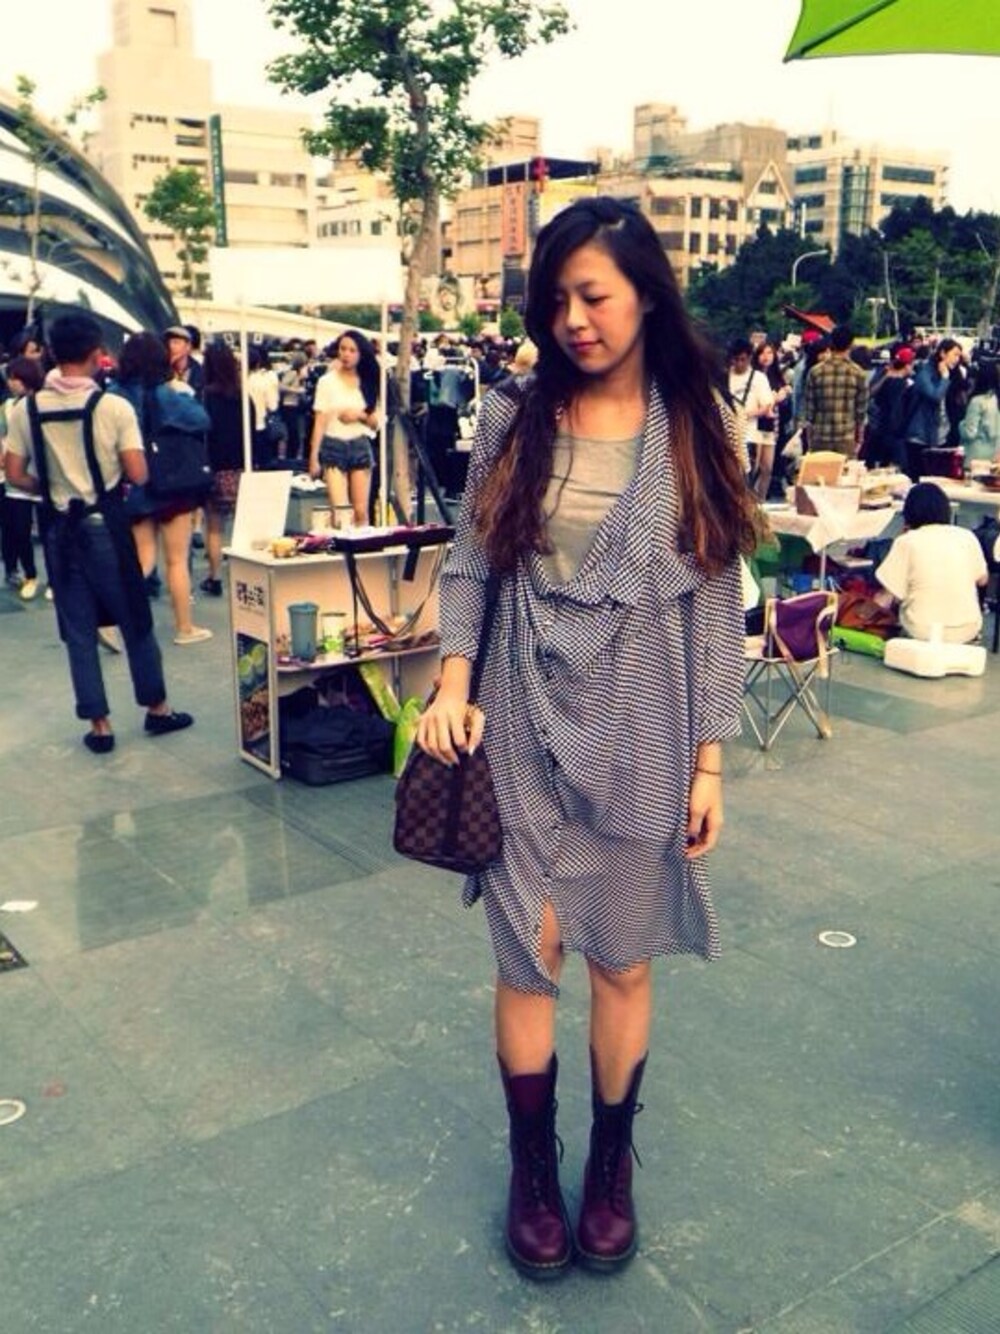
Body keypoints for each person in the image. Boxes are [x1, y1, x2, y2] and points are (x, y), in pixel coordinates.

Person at [415, 196, 755, 1279]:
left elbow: (717, 600)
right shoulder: (513, 416)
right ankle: (532, 1170)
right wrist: (452, 679)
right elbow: (472, 557)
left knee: (621, 958)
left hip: (646, 721)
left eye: (594, 295)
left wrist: (709, 760)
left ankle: (610, 1165)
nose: (573, 319)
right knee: (531, 951)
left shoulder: (696, 425)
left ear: (646, 295)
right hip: (518, 711)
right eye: (556, 299)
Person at [3, 312, 194, 753]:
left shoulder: (26, 409)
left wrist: (48, 487)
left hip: (57, 527)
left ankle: (99, 725)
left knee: (78, 628)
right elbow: (138, 472)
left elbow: (13, 473)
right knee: (134, 619)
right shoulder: (113, 407)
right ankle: (157, 708)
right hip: (105, 524)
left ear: (52, 353)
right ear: (95, 354)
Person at [109, 333, 213, 646]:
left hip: (134, 483)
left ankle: (110, 621)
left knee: (142, 558)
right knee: (177, 560)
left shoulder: (114, 394)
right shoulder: (167, 394)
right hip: (172, 483)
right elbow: (201, 420)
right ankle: (185, 628)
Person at [875, 481, 988, 643]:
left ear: (909, 513)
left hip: (922, 630)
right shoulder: (967, 536)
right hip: (967, 628)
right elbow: (983, 579)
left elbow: (887, 597)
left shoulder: (907, 541)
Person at [308, 330, 380, 528]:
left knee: (361, 511)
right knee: (340, 512)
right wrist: (313, 457)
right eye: (343, 349)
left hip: (360, 443)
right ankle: (342, 545)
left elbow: (377, 422)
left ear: (361, 354)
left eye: (352, 350)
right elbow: (320, 420)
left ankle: (362, 545)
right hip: (333, 445)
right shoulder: (327, 382)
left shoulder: (370, 382)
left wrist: (359, 416)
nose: (346, 354)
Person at [201, 341, 245, 595]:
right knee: (242, 527)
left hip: (216, 469)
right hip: (241, 468)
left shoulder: (205, 397)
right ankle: (244, 575)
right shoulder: (243, 397)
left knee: (214, 528)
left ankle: (215, 577)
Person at [1, 355, 45, 597]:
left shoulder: (44, 403)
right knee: (20, 531)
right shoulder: (7, 407)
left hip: (41, 475)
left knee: (50, 533)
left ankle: (55, 579)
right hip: (16, 479)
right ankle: (30, 574)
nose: (11, 383)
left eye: (16, 378)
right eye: (10, 378)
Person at [803, 323, 868, 457]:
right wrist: (860, 439)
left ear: (831, 342)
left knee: (821, 471)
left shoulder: (815, 372)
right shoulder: (858, 373)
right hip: (846, 437)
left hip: (820, 437)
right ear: (851, 344)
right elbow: (860, 412)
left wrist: (809, 440)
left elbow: (809, 411)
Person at [904, 338, 962, 480]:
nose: (957, 359)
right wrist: (945, 378)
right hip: (921, 435)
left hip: (941, 436)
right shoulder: (926, 372)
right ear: (943, 353)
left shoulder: (953, 373)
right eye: (955, 354)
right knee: (919, 478)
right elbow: (934, 396)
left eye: (959, 356)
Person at [727, 336, 773, 479]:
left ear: (750, 358)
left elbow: (766, 406)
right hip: (728, 435)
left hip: (750, 434)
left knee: (747, 477)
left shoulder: (758, 378)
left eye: (743, 359)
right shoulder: (725, 376)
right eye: (736, 360)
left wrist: (745, 414)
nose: (739, 363)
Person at [751, 340, 792, 499]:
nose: (766, 356)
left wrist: (784, 396)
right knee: (754, 467)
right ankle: (751, 499)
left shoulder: (777, 377)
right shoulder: (753, 377)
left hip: (772, 426)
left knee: (767, 467)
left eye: (769, 353)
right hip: (755, 425)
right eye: (762, 353)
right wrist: (774, 399)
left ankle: (760, 500)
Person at [958, 359, 1000, 467]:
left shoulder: (977, 402)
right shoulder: (995, 399)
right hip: (993, 455)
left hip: (974, 457)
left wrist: (961, 424)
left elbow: (969, 433)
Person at [163, 324, 204, 397]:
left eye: (176, 342)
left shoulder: (200, 373)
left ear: (188, 346)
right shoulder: (161, 371)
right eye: (168, 343)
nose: (171, 346)